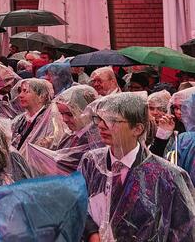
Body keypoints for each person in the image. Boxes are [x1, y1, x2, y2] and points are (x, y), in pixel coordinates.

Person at [77, 92, 195, 241]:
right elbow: (76, 205)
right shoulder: (91, 162)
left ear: (137, 129)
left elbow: (183, 232)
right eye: (100, 118)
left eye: (111, 120)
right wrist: (92, 232)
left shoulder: (168, 176)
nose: (101, 125)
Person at [25, 84, 102, 176]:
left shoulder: (96, 139)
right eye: (61, 114)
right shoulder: (70, 134)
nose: (64, 119)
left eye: (70, 114)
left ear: (86, 112)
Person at [9, 78, 66, 152]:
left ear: (41, 97)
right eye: (20, 91)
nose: (20, 95)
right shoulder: (20, 119)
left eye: (26, 91)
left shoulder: (53, 120)